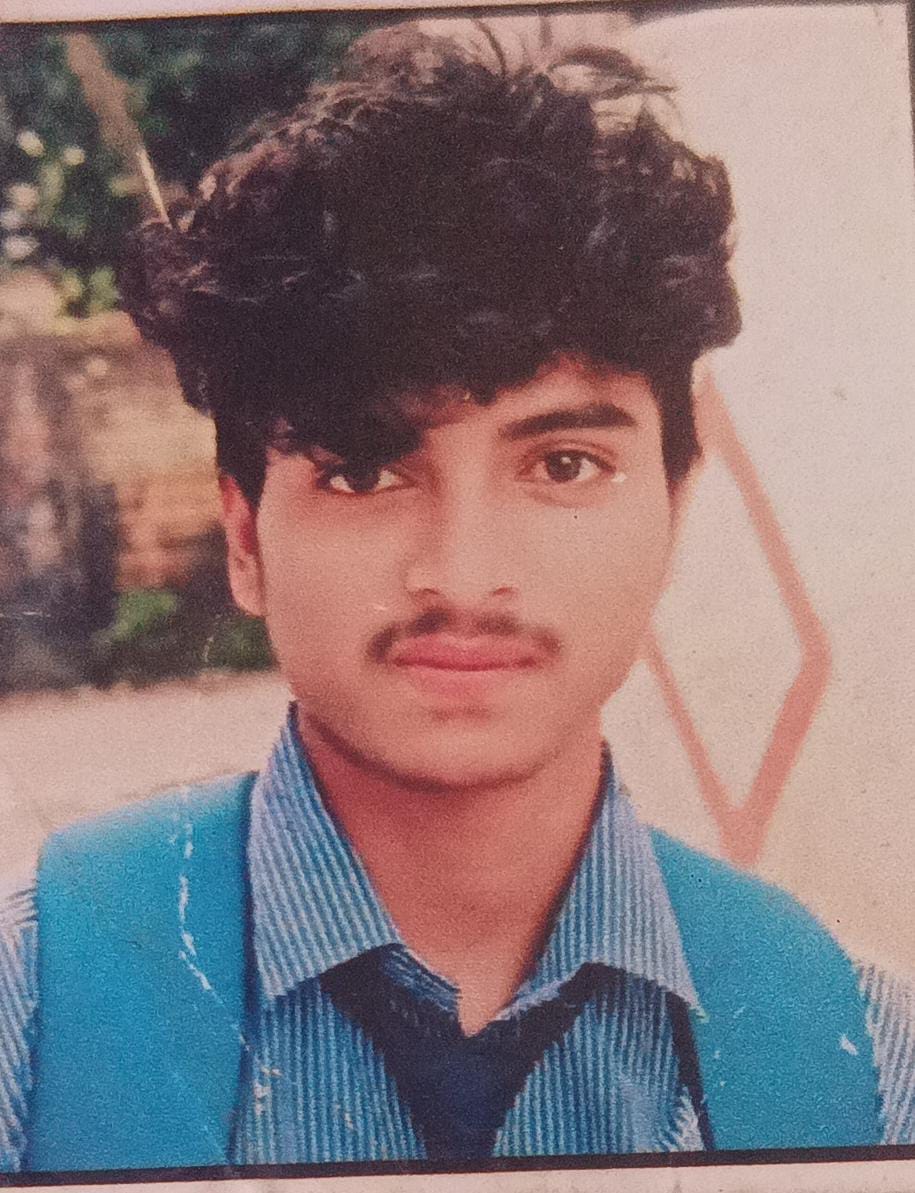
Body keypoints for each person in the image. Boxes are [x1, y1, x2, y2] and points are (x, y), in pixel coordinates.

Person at [1, 22, 913, 1172]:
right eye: (364, 470)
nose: (465, 572)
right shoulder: (36, 1021)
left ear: (676, 508)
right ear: (244, 536)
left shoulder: (865, 1067)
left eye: (564, 464)